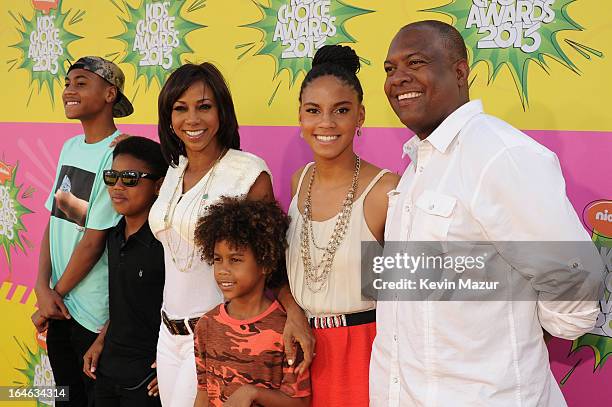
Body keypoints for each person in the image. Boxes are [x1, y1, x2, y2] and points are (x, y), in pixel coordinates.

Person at [369, 20, 603, 407]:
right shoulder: (416, 168)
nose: (398, 78)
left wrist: (518, 339)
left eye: (416, 62)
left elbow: (574, 287)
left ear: (460, 71)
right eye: (390, 69)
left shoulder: (500, 154)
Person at [148, 62, 313, 407]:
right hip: (168, 335)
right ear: (168, 116)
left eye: (204, 107)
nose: (192, 119)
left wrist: (292, 309)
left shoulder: (248, 172)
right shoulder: (174, 169)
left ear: (221, 111)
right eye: (180, 108)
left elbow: (272, 258)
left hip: (217, 337)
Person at [285, 45, 399, 406]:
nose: (327, 124)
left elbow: (408, 295)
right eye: (313, 111)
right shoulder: (297, 181)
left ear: (360, 116)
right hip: (301, 351)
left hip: (366, 353)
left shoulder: (385, 191)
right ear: (300, 116)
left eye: (342, 111)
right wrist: (293, 313)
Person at [32, 56, 133, 407]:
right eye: (67, 83)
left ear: (110, 94)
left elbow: (93, 241)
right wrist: (41, 289)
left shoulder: (119, 154)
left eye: (80, 82)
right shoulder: (71, 147)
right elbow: (56, 219)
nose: (68, 90)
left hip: (93, 316)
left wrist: (51, 296)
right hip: (60, 307)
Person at [193, 197, 311, 407]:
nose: (223, 270)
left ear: (265, 263)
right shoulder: (206, 325)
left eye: (235, 260)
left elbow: (300, 402)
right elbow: (203, 392)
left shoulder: (286, 330)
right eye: (218, 259)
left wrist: (252, 393)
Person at [79, 137, 167, 407]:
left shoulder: (166, 244)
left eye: (130, 178)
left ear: (159, 185)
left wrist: (172, 365)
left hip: (147, 379)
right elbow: (122, 305)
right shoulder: (115, 235)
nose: (117, 186)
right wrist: (100, 341)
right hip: (107, 369)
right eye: (112, 176)